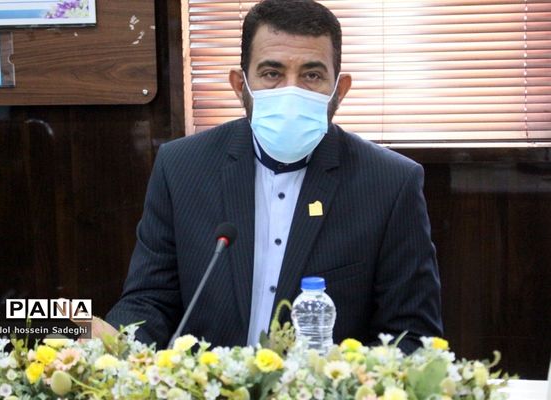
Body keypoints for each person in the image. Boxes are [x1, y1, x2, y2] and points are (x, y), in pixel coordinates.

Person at [100, 0, 443, 353]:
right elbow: (149, 301)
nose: (290, 92)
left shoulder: (390, 183)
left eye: (312, 75)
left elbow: (413, 337)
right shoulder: (181, 167)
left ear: (339, 91)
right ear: (240, 85)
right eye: (271, 73)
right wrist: (100, 338)